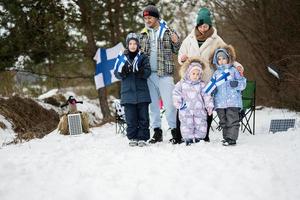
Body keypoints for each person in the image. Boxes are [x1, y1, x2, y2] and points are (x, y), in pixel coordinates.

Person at [178, 7, 244, 142]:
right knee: (188, 105)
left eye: (206, 25)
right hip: (192, 76)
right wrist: (182, 58)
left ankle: (204, 134)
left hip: (208, 77)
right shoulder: (189, 38)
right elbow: (180, 54)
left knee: (205, 106)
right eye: (201, 25)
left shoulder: (216, 38)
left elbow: (228, 55)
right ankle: (184, 134)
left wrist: (236, 65)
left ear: (209, 25)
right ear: (197, 25)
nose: (203, 28)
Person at [139, 5, 181, 144]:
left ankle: (175, 131)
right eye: (145, 18)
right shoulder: (143, 34)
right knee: (153, 107)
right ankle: (157, 132)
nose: (147, 20)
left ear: (156, 17)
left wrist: (176, 41)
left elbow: (177, 49)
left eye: (150, 17)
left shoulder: (167, 31)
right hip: (149, 75)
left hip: (165, 74)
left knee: (169, 105)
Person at [203, 45, 246, 146]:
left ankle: (232, 138)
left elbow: (243, 83)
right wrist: (210, 94)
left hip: (233, 101)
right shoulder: (216, 73)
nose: (221, 61)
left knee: (232, 120)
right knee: (223, 121)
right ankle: (226, 137)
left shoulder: (233, 71)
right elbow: (213, 86)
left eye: (224, 58)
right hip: (220, 102)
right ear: (216, 60)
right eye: (219, 59)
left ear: (228, 59)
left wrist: (237, 84)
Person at [114, 32, 151, 147]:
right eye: (130, 43)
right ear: (127, 45)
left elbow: (148, 71)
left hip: (142, 93)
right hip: (128, 94)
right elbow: (116, 73)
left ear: (138, 44)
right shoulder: (122, 58)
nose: (133, 46)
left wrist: (141, 72)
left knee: (143, 117)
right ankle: (133, 137)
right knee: (131, 118)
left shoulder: (143, 57)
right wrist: (122, 72)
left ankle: (142, 137)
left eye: (135, 43)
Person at [173, 58, 214, 145]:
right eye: (193, 73)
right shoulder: (182, 84)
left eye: (198, 74)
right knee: (186, 124)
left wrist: (209, 106)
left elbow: (207, 96)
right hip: (186, 109)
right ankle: (188, 138)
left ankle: (199, 138)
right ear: (188, 73)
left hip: (199, 110)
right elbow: (176, 93)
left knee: (200, 124)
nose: (195, 76)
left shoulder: (202, 85)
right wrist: (178, 103)